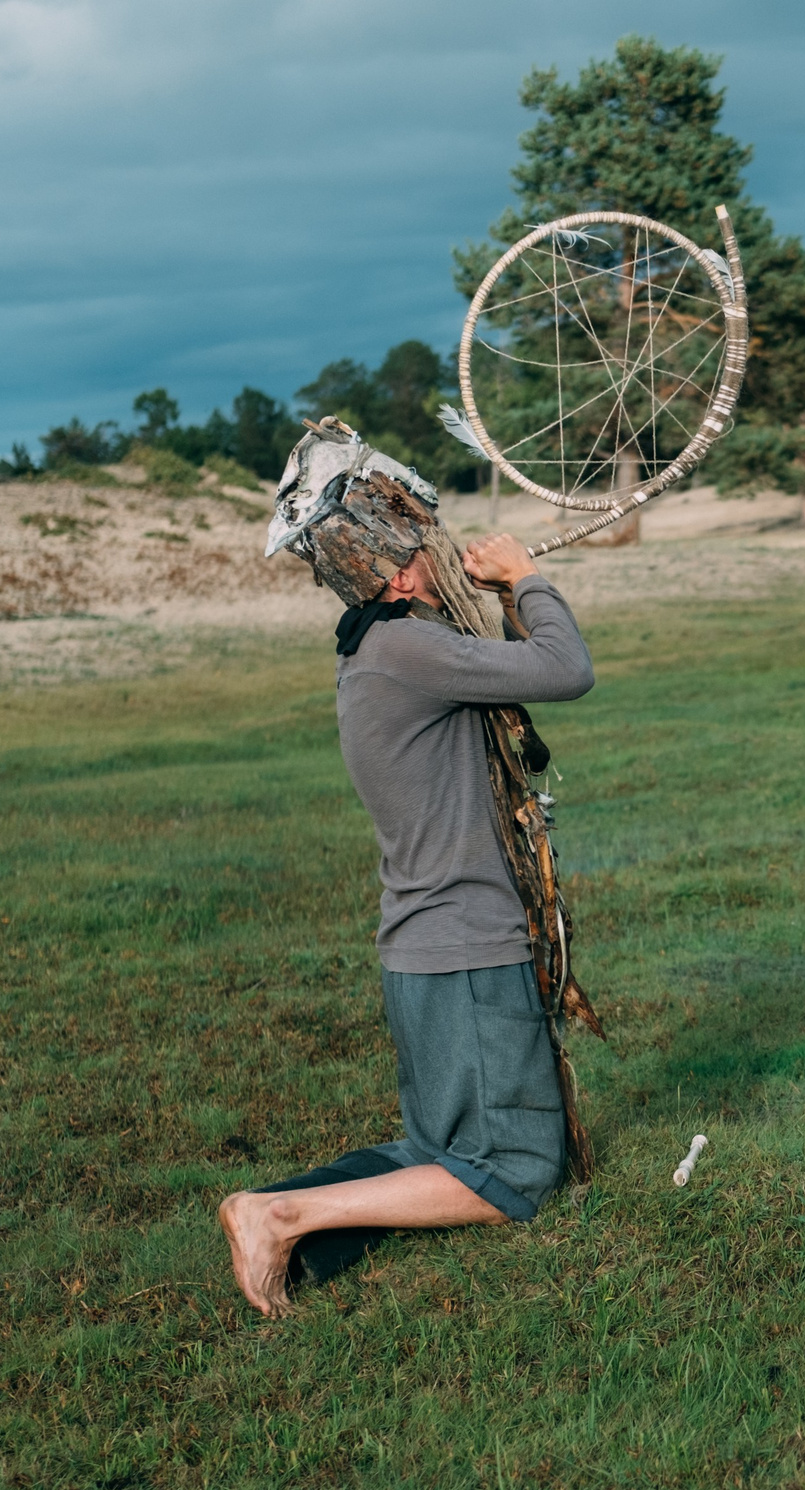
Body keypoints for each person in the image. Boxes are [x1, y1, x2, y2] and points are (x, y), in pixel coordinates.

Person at [217, 423, 595, 1318]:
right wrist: (529, 581)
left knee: (437, 1147)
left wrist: (502, 593)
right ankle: (277, 1212)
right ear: (396, 572)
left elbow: (507, 674)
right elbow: (565, 668)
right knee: (518, 1174)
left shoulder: (378, 647)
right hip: (464, 952)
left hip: (426, 952)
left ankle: (293, 1230)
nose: (442, 547)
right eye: (423, 540)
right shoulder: (407, 650)